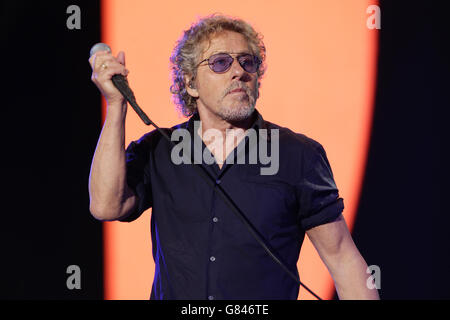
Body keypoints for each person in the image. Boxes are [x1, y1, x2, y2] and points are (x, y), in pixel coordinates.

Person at [88, 14, 379, 300]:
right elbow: (106, 206)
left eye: (247, 61)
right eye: (220, 63)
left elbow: (343, 260)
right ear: (190, 83)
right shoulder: (159, 150)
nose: (239, 71)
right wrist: (116, 107)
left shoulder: (298, 155)